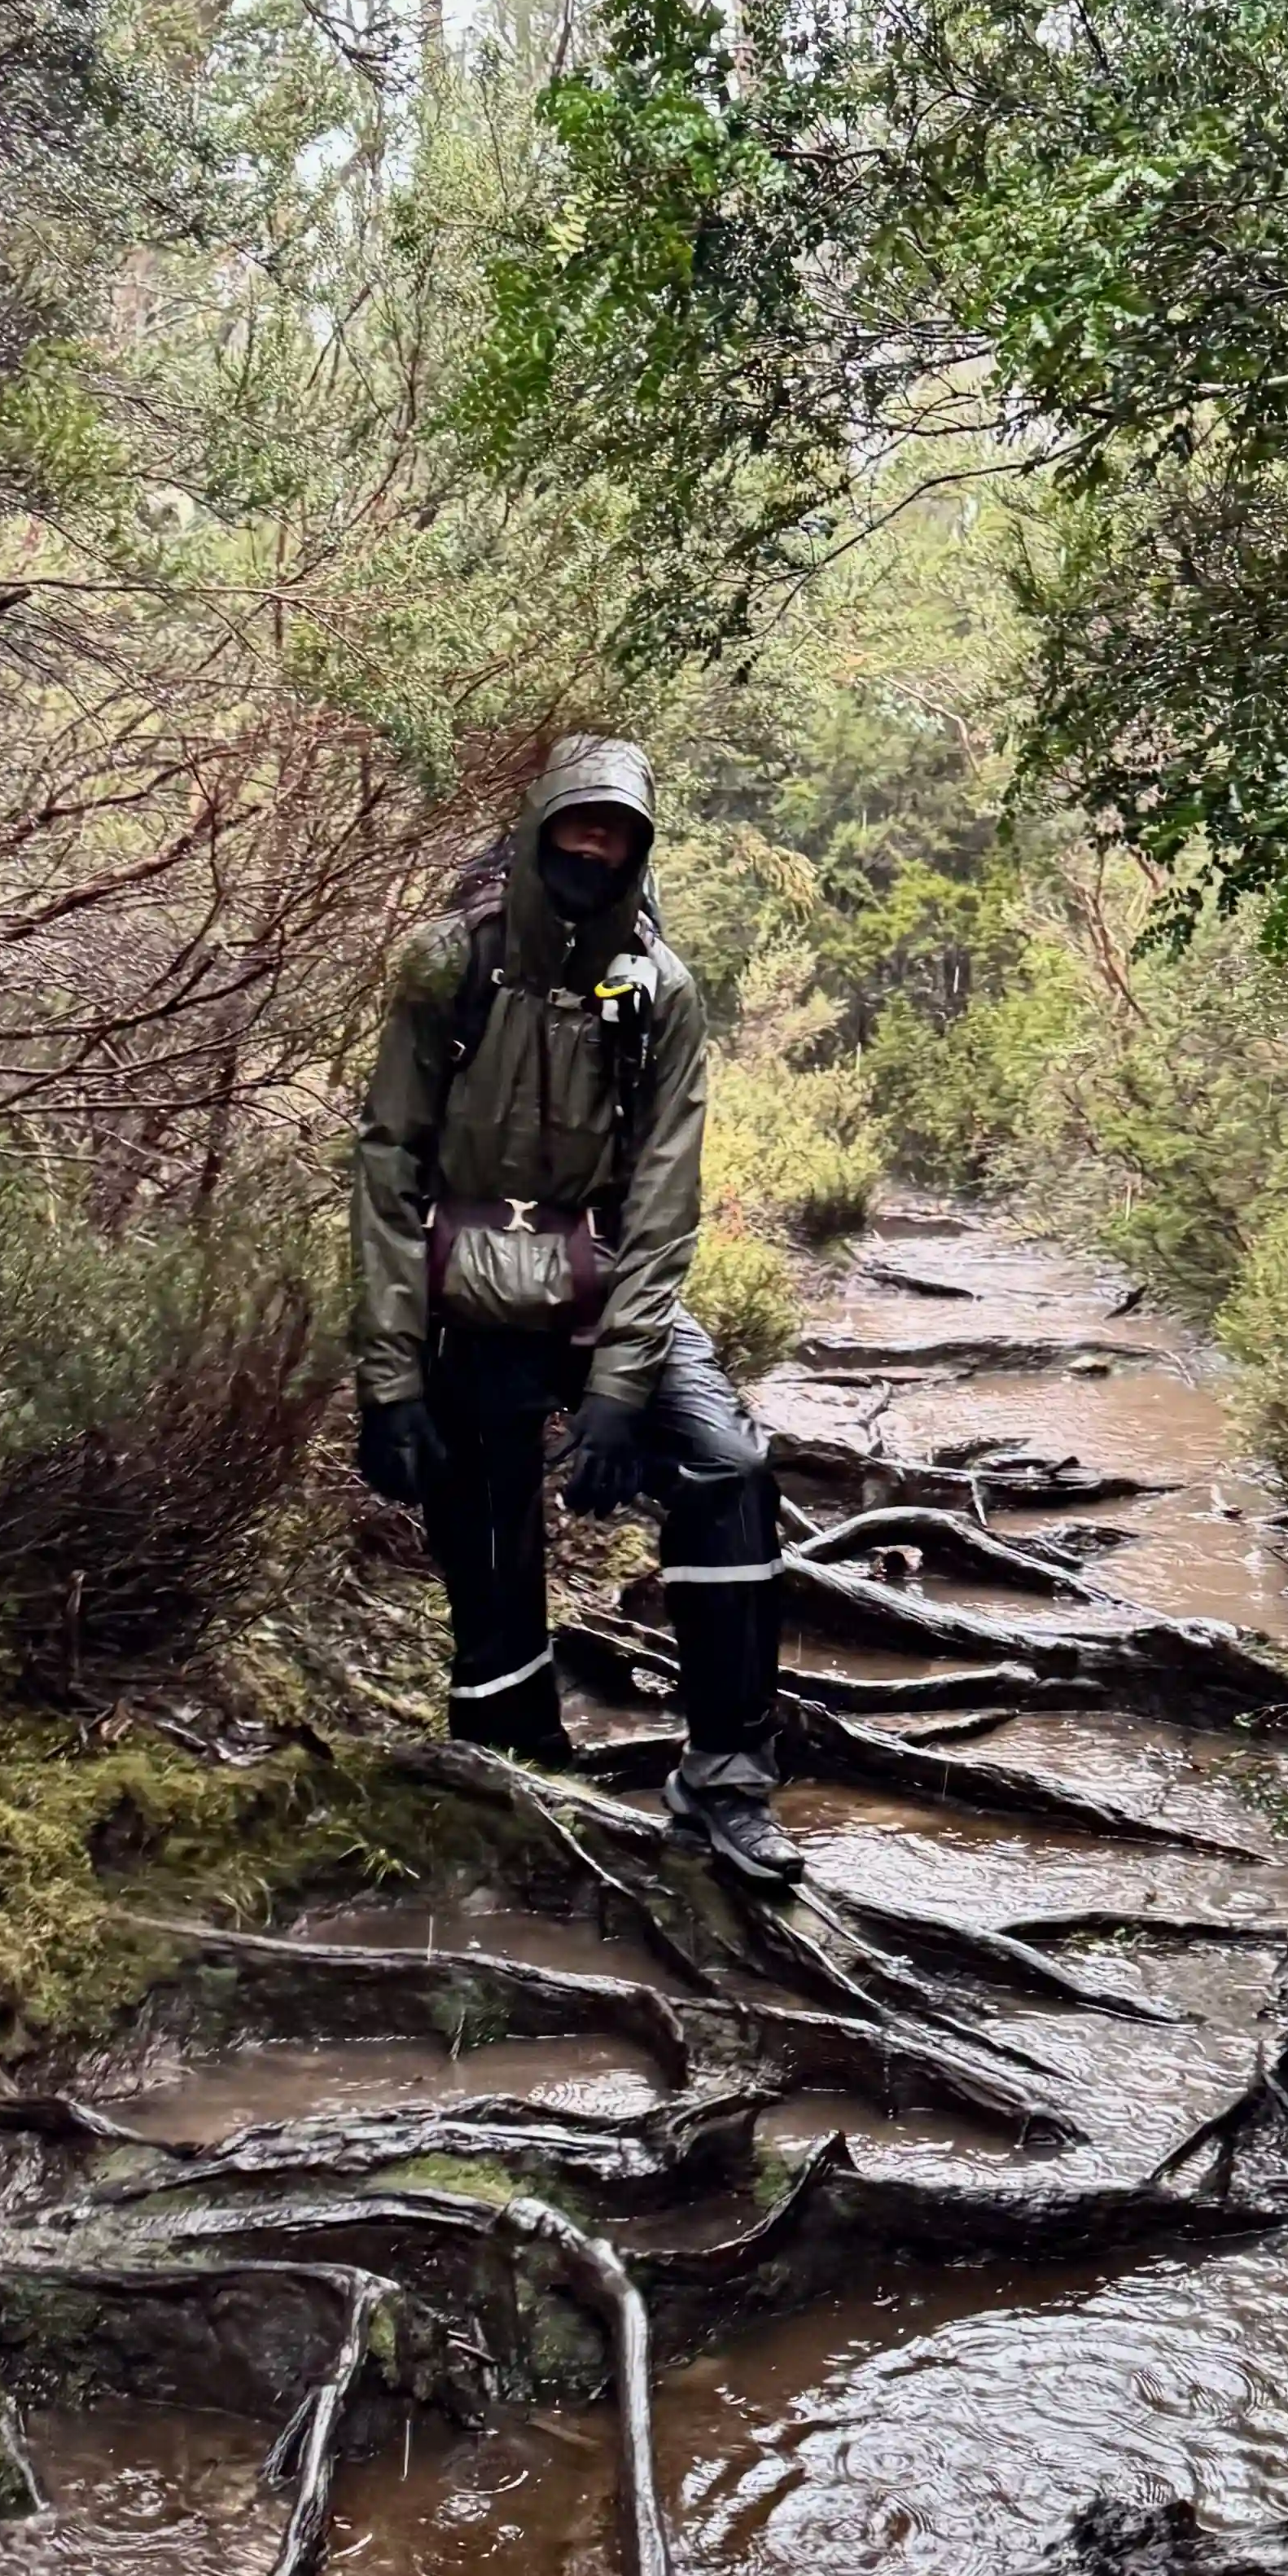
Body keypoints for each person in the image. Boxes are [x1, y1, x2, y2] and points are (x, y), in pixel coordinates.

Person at [348, 735, 800, 1886]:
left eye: (620, 830)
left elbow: (663, 1199)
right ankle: (517, 1770)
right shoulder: (447, 966)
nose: (597, 846)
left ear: (641, 846)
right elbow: (389, 1168)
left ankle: (728, 1782)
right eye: (578, 824)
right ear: (541, 825)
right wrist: (390, 1383)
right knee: (487, 1525)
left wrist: (615, 1395)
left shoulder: (664, 993)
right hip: (470, 1300)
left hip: (608, 1295)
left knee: (727, 1468)